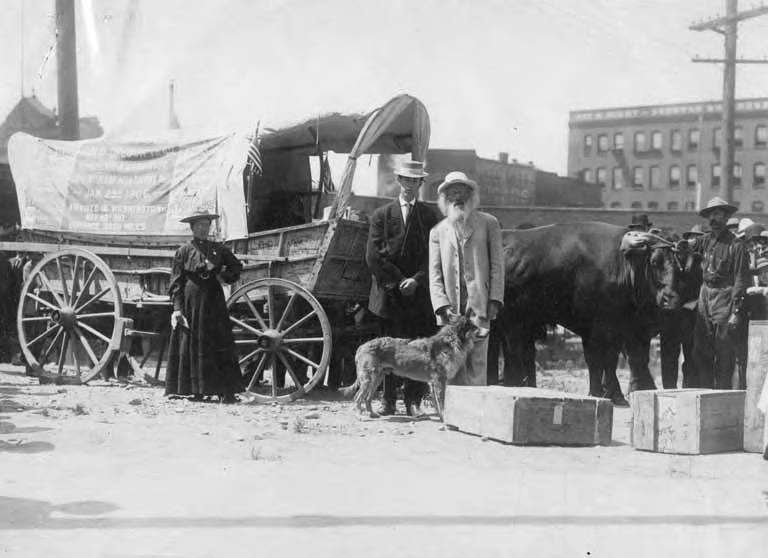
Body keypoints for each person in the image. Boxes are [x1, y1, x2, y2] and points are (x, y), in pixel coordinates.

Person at [365, 160, 440, 417]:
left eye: (415, 181)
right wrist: (399, 282)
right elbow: (374, 256)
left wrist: (417, 279)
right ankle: (387, 400)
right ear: (399, 181)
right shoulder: (381, 216)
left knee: (418, 350)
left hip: (418, 296)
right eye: (405, 180)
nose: (409, 185)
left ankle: (413, 401)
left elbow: (434, 255)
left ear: (421, 184)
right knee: (388, 349)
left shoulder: (430, 217)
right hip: (390, 296)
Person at [429, 171, 504, 385]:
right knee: (452, 364)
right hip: (451, 310)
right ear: (445, 198)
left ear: (471, 195)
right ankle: (454, 412)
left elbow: (498, 265)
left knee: (477, 364)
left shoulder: (489, 223)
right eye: (452, 193)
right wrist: (441, 306)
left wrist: (495, 300)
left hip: (479, 304)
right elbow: (434, 274)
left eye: (462, 192)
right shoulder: (438, 231)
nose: (457, 197)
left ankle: (475, 415)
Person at [165, 207, 244, 403]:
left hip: (214, 300)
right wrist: (177, 308)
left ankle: (225, 390)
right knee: (193, 342)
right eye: (199, 225)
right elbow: (176, 282)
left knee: (219, 341)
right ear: (192, 228)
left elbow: (236, 267)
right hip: (191, 301)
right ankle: (195, 390)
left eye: (206, 225)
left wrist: (222, 276)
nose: (203, 229)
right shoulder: (183, 252)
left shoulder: (219, 249)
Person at [689, 197, 750, 390]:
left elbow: (741, 279)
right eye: (711, 214)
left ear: (725, 217)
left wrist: (736, 312)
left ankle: (723, 394)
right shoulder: (705, 240)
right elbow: (687, 247)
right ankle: (706, 392)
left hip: (725, 296)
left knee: (724, 351)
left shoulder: (736, 245)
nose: (714, 218)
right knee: (700, 350)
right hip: (704, 295)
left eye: (718, 214)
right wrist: (685, 245)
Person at [659, 225, 704, 388]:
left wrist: (694, 303)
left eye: (696, 238)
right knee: (669, 354)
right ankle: (668, 389)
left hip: (691, 315)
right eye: (691, 237)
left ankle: (689, 389)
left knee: (691, 355)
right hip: (670, 315)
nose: (692, 241)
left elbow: (703, 285)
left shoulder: (700, 261)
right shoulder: (667, 260)